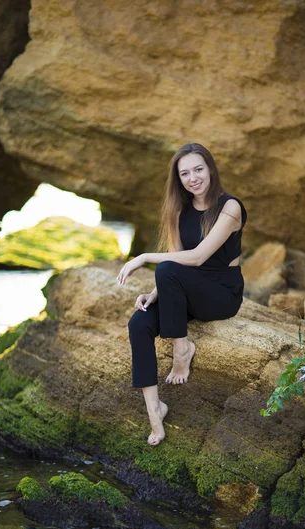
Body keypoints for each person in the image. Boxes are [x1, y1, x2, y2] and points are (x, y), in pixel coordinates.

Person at [117, 143, 247, 446]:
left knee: (166, 269)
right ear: (179, 179)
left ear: (211, 169)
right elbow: (176, 263)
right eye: (185, 173)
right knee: (140, 322)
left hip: (221, 294)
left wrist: (143, 257)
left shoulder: (230, 207)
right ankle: (155, 412)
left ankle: (181, 351)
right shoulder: (179, 210)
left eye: (198, 169)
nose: (193, 178)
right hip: (188, 288)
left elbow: (198, 257)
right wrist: (153, 295)